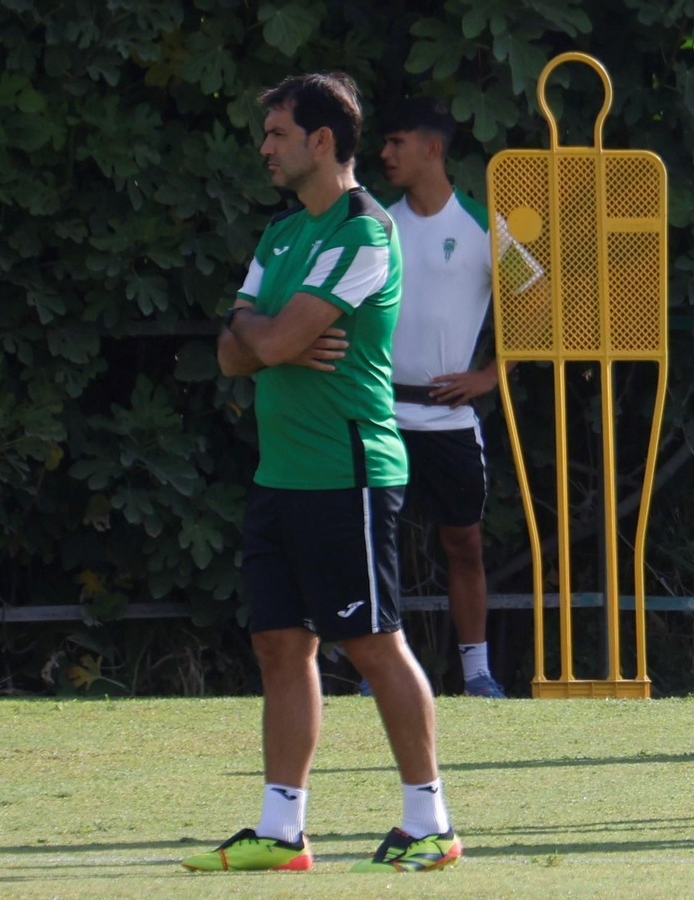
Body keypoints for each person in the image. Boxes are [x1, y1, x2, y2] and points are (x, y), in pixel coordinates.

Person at [183, 72, 461, 874]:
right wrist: (261, 328)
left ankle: (430, 823)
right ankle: (281, 832)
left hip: (350, 470)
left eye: (275, 133)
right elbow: (238, 351)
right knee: (277, 644)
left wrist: (264, 332)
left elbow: (263, 346)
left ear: (321, 141)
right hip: (283, 476)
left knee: (373, 644)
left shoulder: (365, 234)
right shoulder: (279, 237)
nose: (264, 147)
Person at [376, 96, 510, 699]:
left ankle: (477, 673)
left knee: (464, 541)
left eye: (396, 142)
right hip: (379, 413)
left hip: (451, 419)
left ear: (432, 148)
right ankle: (377, 674)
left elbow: (542, 311)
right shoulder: (374, 224)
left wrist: (490, 377)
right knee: (374, 539)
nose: (384, 155)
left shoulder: (484, 227)